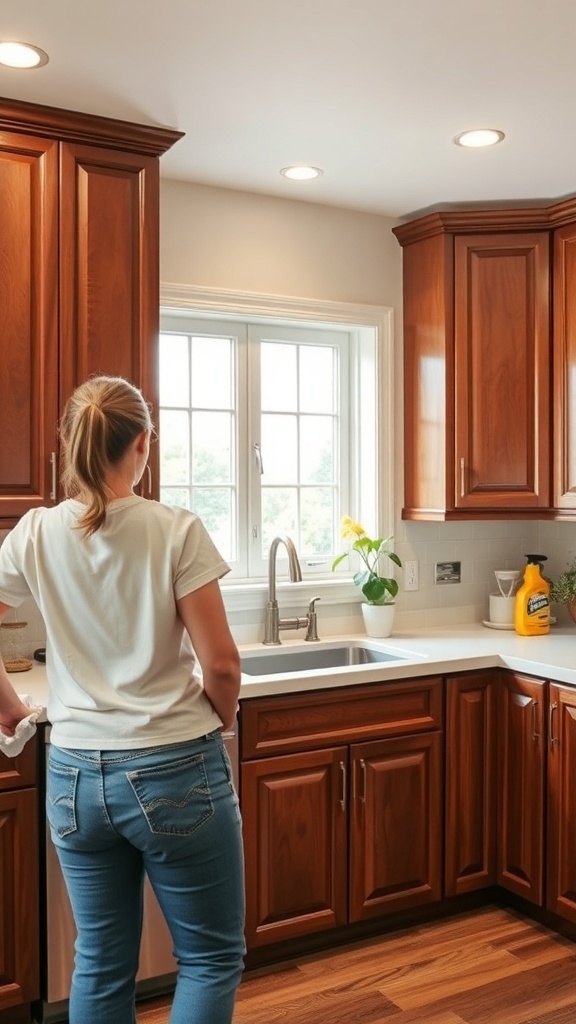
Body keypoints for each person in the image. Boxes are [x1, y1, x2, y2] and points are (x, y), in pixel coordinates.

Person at [0, 375, 245, 1024]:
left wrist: (8, 711)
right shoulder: (175, 530)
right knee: (210, 958)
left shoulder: (35, 533)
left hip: (73, 773)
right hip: (174, 765)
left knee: (101, 962)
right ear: (142, 444)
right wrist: (216, 722)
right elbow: (221, 662)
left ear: (70, 444)